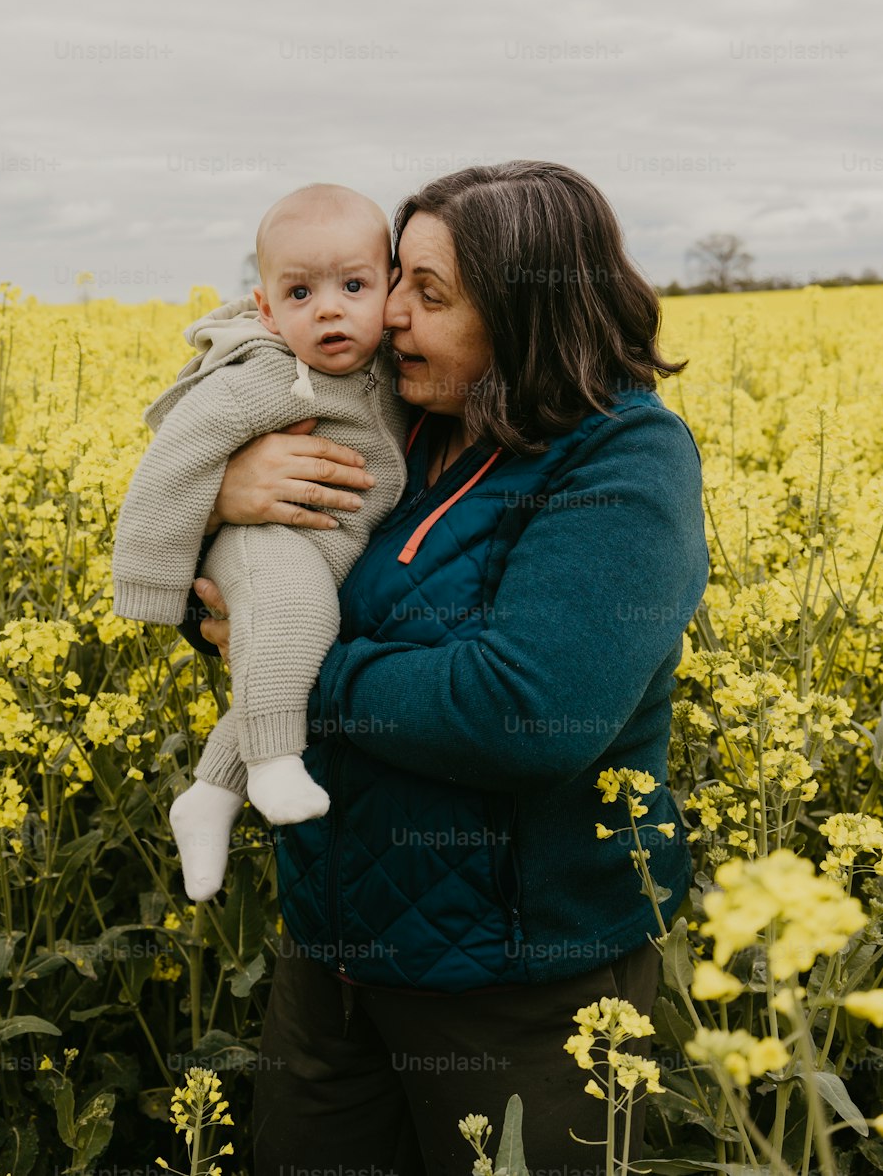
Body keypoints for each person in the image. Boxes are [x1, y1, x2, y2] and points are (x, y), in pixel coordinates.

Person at [180, 160, 710, 1175]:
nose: (389, 321)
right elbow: (221, 610)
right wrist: (223, 498)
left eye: (430, 296)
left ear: (524, 312)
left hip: (519, 983)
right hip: (332, 957)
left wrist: (298, 669)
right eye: (395, 284)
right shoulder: (392, 421)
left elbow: (523, 711)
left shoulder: (621, 463)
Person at [111, 184, 410, 898]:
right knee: (299, 618)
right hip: (263, 541)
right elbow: (172, 462)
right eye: (301, 294)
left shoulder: (395, 370)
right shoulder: (269, 376)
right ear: (267, 310)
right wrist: (151, 585)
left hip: (317, 544)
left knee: (293, 655)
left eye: (354, 286)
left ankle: (211, 795)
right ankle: (274, 765)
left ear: (390, 292)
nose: (330, 308)